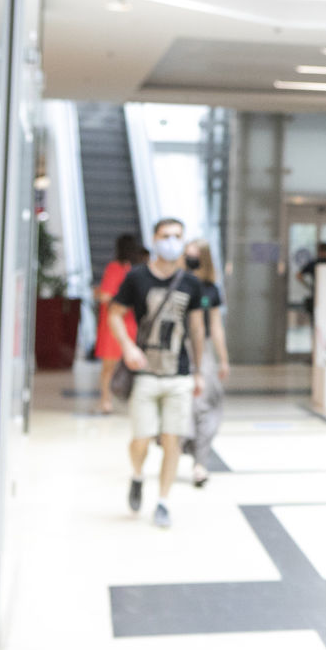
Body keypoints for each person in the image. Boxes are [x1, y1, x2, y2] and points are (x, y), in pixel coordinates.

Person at [108, 217, 205, 529]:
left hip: (179, 374)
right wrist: (127, 346)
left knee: (172, 440)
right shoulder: (137, 278)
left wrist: (200, 372)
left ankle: (162, 501)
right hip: (145, 373)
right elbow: (114, 313)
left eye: (177, 236)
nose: (172, 241)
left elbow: (197, 329)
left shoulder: (191, 283)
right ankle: (137, 475)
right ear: (154, 238)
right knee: (141, 439)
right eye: (166, 235)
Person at [182, 238, 229, 487]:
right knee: (185, 406)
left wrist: (224, 359)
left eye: (195, 256)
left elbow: (215, 327)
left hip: (204, 351)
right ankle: (180, 445)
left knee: (204, 406)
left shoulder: (211, 289)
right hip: (178, 350)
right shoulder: (177, 283)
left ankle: (200, 462)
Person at [94, 233, 143, 413]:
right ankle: (135, 404)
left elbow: (106, 295)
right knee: (135, 367)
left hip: (113, 326)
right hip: (133, 324)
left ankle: (106, 402)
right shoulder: (138, 269)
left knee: (108, 368)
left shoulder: (114, 268)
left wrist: (98, 293)